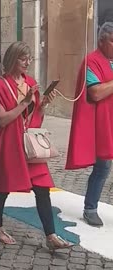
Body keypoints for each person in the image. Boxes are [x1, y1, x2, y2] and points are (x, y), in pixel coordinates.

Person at [0, 41, 72, 251]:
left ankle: (51, 235)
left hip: (28, 144)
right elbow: (2, 120)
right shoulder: (0, 85)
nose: (28, 62)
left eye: (29, 58)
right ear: (13, 60)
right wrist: (24, 102)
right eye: (24, 59)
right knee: (3, 187)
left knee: (42, 189)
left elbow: (34, 118)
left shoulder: (30, 82)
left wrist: (44, 104)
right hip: (9, 144)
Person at [66, 22, 113, 227]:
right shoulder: (91, 61)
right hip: (102, 123)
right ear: (102, 41)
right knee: (103, 166)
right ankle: (90, 208)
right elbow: (95, 93)